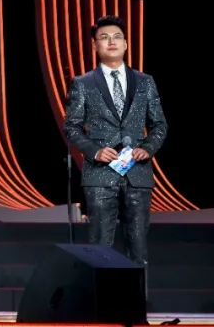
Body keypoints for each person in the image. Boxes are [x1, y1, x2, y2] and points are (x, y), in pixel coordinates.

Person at [64, 15, 168, 268]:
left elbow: (159, 124)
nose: (111, 42)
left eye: (117, 37)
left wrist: (147, 148)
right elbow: (71, 126)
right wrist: (95, 151)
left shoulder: (145, 81)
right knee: (100, 248)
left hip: (138, 172)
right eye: (104, 37)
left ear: (125, 44)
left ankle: (136, 294)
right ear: (95, 45)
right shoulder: (83, 83)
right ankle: (101, 294)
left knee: (138, 248)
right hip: (100, 173)